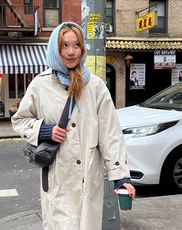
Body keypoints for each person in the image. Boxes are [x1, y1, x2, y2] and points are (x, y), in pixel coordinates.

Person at [11, 21, 135, 230]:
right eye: (64, 46)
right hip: (57, 177)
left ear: (82, 48)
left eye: (76, 45)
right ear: (55, 50)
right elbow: (20, 120)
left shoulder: (95, 86)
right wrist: (44, 130)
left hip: (88, 178)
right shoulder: (40, 85)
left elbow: (110, 133)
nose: (71, 52)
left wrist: (120, 176)